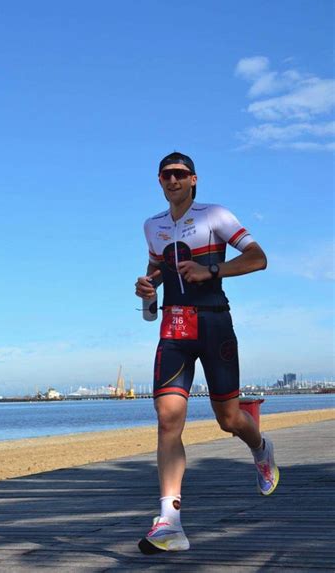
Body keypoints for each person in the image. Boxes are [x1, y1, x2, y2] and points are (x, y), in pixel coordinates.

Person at [135, 151, 279, 555]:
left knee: (228, 419)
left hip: (214, 324)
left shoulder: (215, 215)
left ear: (193, 179)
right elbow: (156, 272)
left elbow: (258, 258)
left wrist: (211, 270)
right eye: (166, 174)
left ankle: (260, 447)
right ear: (159, 181)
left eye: (180, 174)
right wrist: (147, 287)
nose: (173, 180)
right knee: (167, 419)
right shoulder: (152, 226)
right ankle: (170, 522)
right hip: (173, 329)